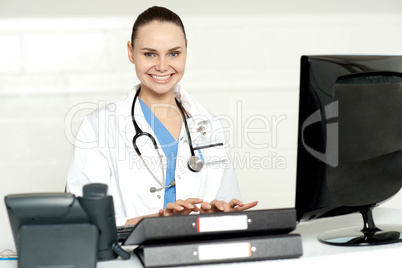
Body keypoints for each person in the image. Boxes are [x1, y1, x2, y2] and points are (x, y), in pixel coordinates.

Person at [67, 6, 258, 226]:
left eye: (174, 53)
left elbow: (226, 200)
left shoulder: (207, 124)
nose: (162, 66)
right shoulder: (98, 127)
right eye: (150, 54)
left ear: (186, 50)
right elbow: (86, 219)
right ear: (131, 52)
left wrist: (221, 212)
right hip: (131, 255)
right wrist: (156, 222)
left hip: (197, 253)